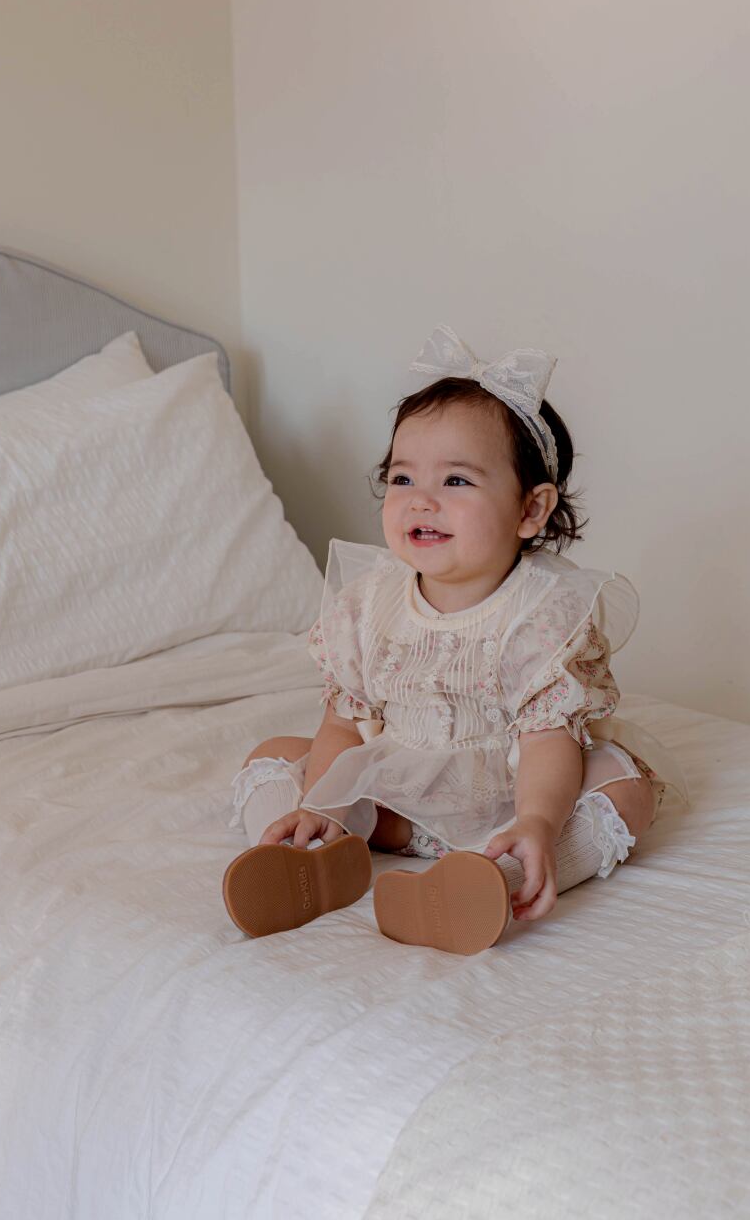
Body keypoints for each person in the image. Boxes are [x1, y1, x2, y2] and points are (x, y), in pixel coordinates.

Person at [223, 326, 684, 954]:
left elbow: (547, 741)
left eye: (457, 482)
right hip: (394, 809)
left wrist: (537, 820)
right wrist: (324, 805)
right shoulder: (368, 606)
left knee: (625, 786)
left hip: (509, 798)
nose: (421, 502)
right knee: (275, 752)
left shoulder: (543, 618)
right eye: (402, 479)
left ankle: (502, 877)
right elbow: (342, 725)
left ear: (531, 510)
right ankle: (303, 852)